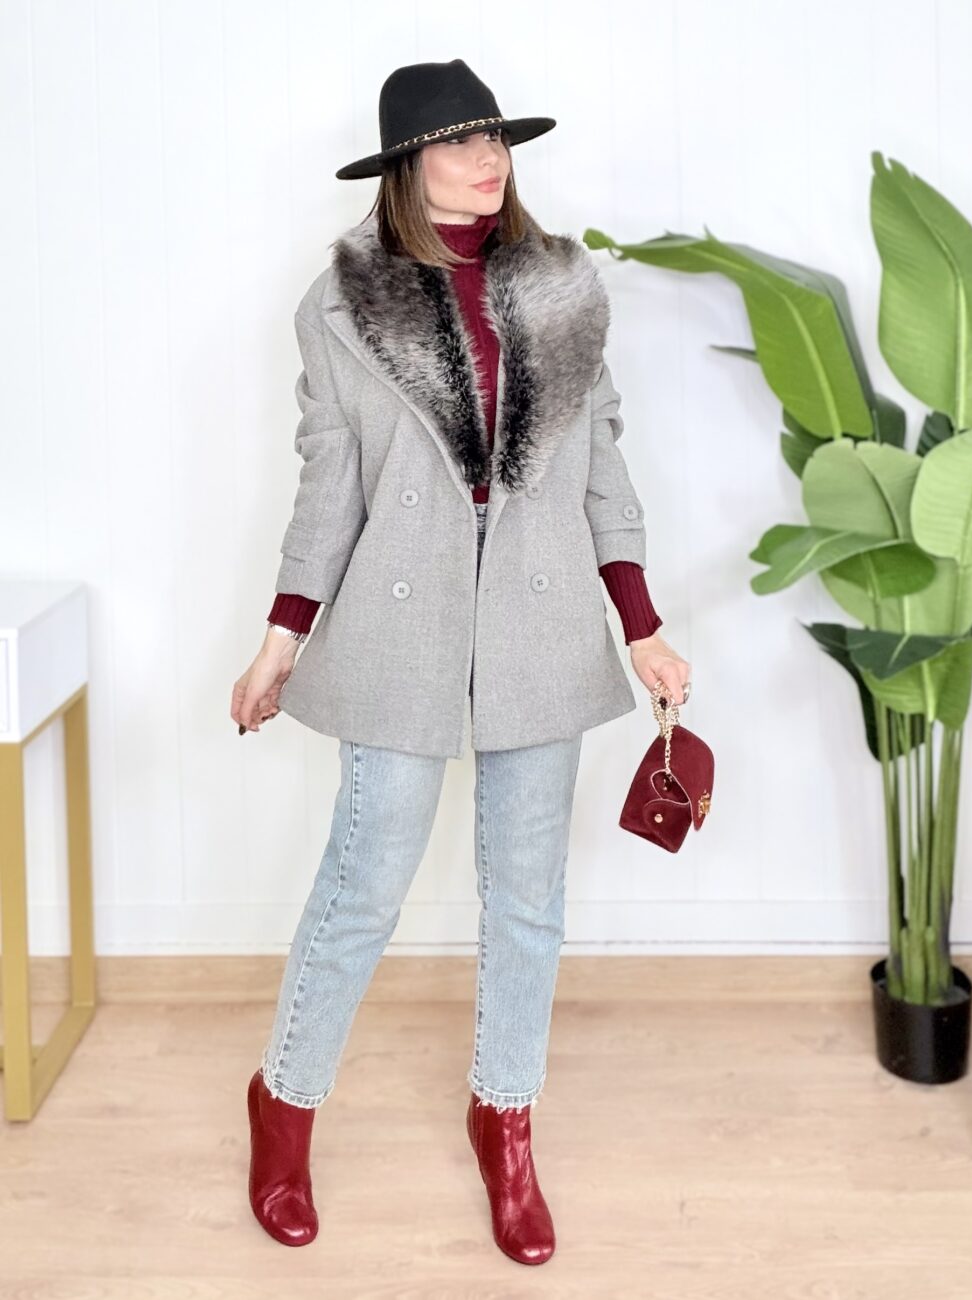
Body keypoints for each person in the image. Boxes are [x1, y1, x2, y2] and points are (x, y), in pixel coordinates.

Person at [231, 59, 692, 1262]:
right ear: (407, 163)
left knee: (528, 901)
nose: (489, 159)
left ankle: (506, 1120)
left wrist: (640, 620)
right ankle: (284, 1102)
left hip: (542, 625)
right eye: (460, 141)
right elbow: (329, 484)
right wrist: (281, 639)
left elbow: (603, 465)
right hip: (399, 627)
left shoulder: (564, 287)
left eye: (497, 139)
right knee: (362, 885)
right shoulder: (338, 305)